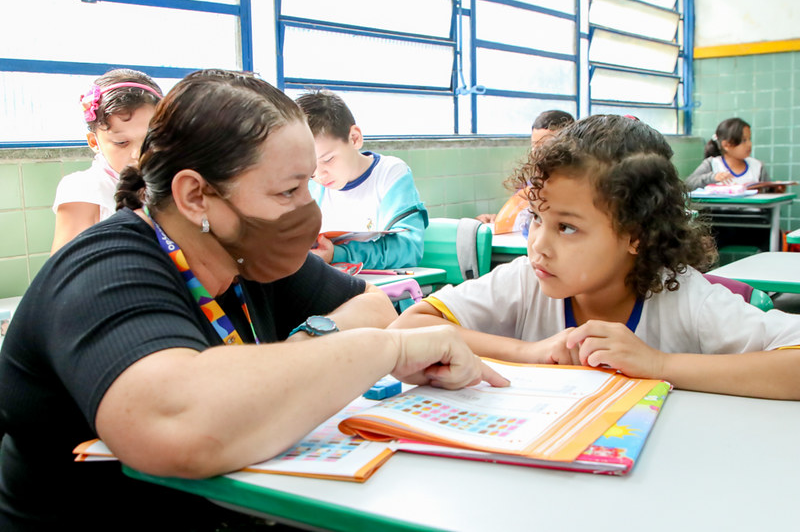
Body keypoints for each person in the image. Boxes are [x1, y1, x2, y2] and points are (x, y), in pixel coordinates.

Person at [0, 69, 507, 531]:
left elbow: (370, 306)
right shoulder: (104, 269)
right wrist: (388, 352)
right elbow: (179, 427)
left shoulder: (245, 251)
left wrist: (311, 342)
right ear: (196, 196)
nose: (306, 210)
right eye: (287, 192)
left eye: (309, 185)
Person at [392, 114, 800, 400]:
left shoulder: (684, 297)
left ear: (635, 235)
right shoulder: (528, 278)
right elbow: (409, 327)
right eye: (536, 218)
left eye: (567, 227)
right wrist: (530, 353)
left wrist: (658, 364)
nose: (539, 245)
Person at [295, 90, 428, 269]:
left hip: (386, 291)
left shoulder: (390, 174)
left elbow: (408, 249)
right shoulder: (311, 186)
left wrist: (338, 254)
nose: (320, 175)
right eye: (310, 169)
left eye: (328, 160)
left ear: (354, 138)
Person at [51, 68, 163, 253]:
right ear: (94, 142)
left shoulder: (173, 179)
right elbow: (64, 269)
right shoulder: (83, 188)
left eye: (150, 140)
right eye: (121, 143)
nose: (138, 153)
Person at [476, 109, 575, 227]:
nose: (538, 153)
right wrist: (496, 220)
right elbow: (525, 218)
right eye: (535, 145)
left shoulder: (576, 188)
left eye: (547, 146)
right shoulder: (531, 185)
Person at [685, 117, 768, 191]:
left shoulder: (757, 166)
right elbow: (688, 185)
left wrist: (775, 188)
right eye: (744, 140)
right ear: (726, 145)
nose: (749, 144)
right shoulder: (712, 164)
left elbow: (768, 192)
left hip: (753, 208)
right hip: (718, 209)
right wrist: (712, 178)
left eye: (749, 139)